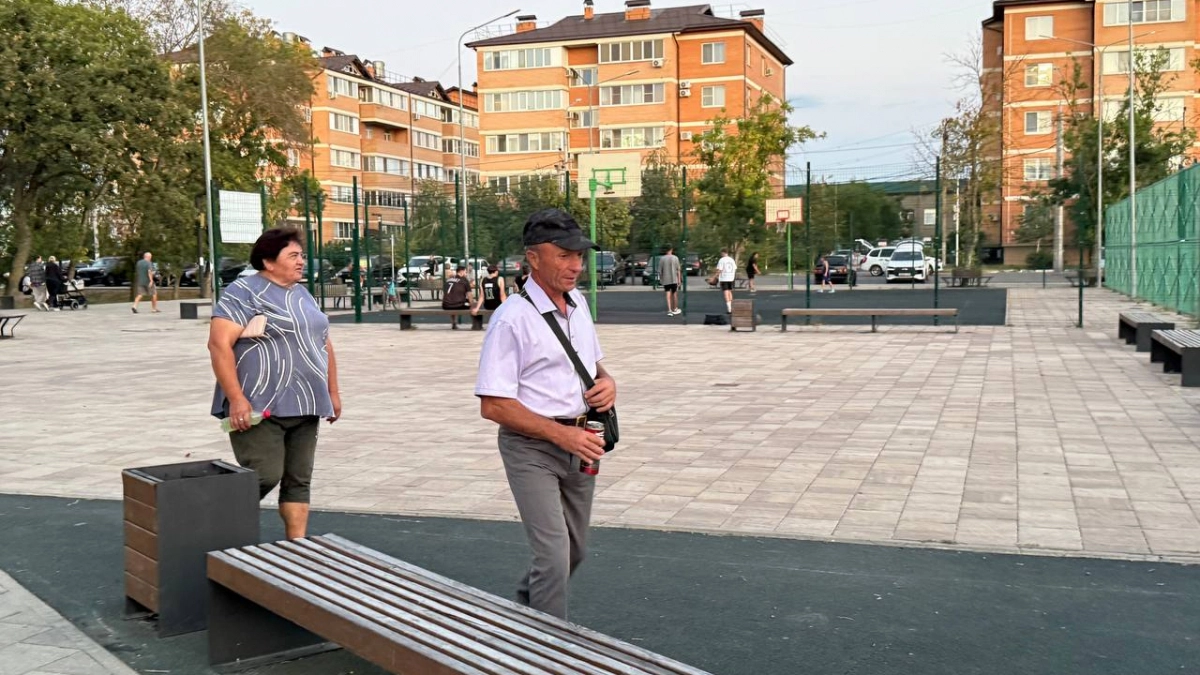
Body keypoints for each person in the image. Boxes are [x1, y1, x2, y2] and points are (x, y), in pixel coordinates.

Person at [475, 208, 616, 621]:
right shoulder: (511, 319)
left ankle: (527, 612)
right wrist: (560, 436)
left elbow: (592, 364)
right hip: (532, 448)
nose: (576, 265)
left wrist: (608, 382)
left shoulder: (578, 303)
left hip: (583, 441)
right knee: (553, 553)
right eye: (564, 255)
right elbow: (493, 404)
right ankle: (549, 652)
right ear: (533, 258)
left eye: (579, 256)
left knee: (575, 551)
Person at [207, 228, 341, 539]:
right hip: (258, 403)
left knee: (298, 479)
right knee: (265, 474)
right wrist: (236, 398)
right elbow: (218, 345)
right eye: (293, 256)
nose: (301, 262)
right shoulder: (244, 291)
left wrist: (332, 393)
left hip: (307, 400)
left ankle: (298, 547)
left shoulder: (301, 293)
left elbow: (324, 342)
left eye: (301, 256)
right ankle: (210, 521)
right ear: (268, 261)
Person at [442, 264, 472, 329]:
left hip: (445, 305)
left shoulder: (449, 280)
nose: (466, 273)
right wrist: (472, 304)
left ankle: (453, 322)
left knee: (451, 300)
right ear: (461, 272)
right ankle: (475, 323)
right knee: (473, 304)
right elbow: (469, 294)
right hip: (458, 305)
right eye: (465, 272)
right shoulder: (464, 280)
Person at [656, 246, 682, 316]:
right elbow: (678, 270)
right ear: (671, 249)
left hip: (666, 279)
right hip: (674, 279)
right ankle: (675, 308)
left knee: (667, 294)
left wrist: (661, 279)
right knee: (674, 293)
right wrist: (679, 279)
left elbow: (660, 271)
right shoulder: (675, 258)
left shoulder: (662, 259)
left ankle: (669, 310)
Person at [716, 249, 737, 313]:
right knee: (729, 292)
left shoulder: (722, 260)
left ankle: (729, 308)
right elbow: (735, 268)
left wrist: (714, 276)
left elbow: (719, 270)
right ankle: (732, 306)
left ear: (723, 253)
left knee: (725, 292)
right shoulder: (731, 260)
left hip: (724, 278)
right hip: (731, 278)